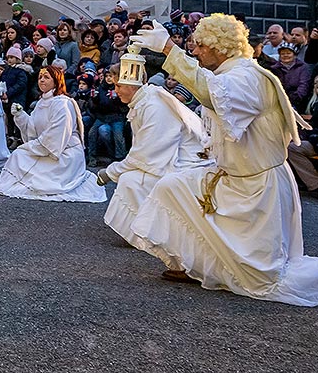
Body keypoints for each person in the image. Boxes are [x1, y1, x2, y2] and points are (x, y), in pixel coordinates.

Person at [129, 15, 318, 305]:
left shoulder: (246, 75)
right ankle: (195, 263)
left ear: (221, 48)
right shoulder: (231, 73)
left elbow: (208, 93)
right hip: (232, 177)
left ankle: (218, 266)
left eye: (202, 46)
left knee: (261, 280)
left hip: (258, 189)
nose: (196, 51)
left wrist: (169, 49)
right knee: (172, 187)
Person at [96, 46, 213, 248]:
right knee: (130, 179)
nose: (115, 92)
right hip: (167, 159)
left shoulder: (154, 105)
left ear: (130, 85)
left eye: (118, 86)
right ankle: (143, 231)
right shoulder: (144, 101)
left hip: (185, 164)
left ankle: (151, 234)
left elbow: (148, 154)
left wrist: (112, 172)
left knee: (132, 180)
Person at [0, 65, 106, 202]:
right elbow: (33, 129)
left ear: (56, 80)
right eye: (40, 77)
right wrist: (20, 116)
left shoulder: (62, 103)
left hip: (64, 152)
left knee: (20, 155)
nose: (41, 80)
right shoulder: (42, 101)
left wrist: (30, 147)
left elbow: (56, 135)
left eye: (46, 77)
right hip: (47, 148)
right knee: (19, 155)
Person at [270, 41, 311, 113]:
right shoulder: (273, 69)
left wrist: (294, 98)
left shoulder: (302, 67)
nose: (285, 55)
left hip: (297, 102)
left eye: (288, 53)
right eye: (283, 53)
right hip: (278, 101)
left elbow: (304, 85)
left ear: (294, 55)